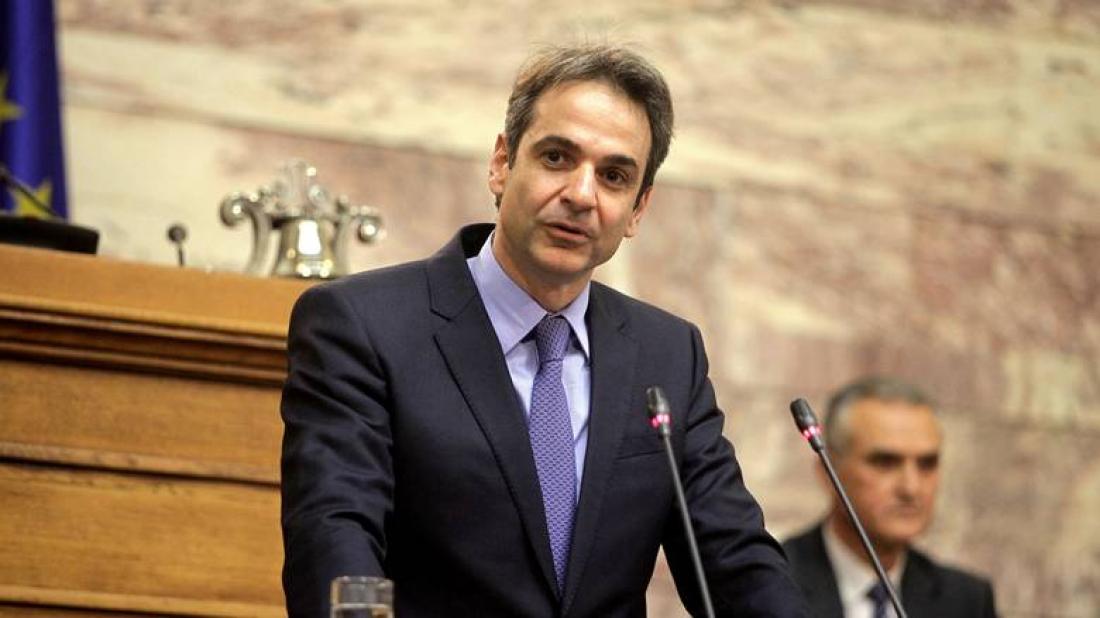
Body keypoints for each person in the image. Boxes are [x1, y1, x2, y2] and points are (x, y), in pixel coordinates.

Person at [280, 43, 808, 617]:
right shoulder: (364, 325)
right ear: (502, 164)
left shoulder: (667, 356)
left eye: (613, 176)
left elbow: (735, 560)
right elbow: (334, 538)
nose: (581, 195)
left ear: (637, 209)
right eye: (557, 158)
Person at [782, 376, 997, 618]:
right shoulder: (769, 584)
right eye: (885, 462)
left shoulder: (966, 601)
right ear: (827, 471)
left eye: (927, 464)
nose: (911, 488)